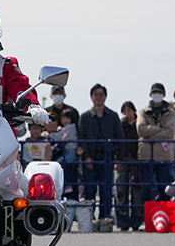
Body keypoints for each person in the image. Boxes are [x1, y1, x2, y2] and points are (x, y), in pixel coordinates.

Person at [77, 83, 123, 223]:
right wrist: (86, 158)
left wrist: (118, 159)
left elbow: (119, 138)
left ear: (105, 97)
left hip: (107, 159)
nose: (98, 97)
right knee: (90, 190)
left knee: (106, 191)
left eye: (101, 94)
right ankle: (90, 220)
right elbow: (81, 138)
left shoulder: (113, 116)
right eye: (96, 94)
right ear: (91, 97)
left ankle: (105, 217)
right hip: (90, 159)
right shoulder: (84, 117)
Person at [137, 82, 175, 202]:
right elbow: (141, 129)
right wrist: (160, 129)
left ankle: (167, 220)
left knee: (166, 191)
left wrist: (150, 134)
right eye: (155, 92)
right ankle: (147, 219)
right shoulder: (143, 112)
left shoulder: (170, 113)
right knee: (146, 191)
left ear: (164, 94)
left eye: (159, 92)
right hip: (146, 156)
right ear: (150, 94)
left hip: (164, 156)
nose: (157, 95)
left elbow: (170, 133)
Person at [115, 101, 143, 230]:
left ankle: (136, 221)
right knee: (121, 191)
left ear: (134, 111)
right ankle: (122, 222)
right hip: (123, 159)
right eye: (124, 111)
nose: (127, 113)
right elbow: (116, 141)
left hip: (137, 161)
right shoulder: (121, 125)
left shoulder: (139, 124)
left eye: (129, 110)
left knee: (136, 192)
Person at [49, 108, 79, 201]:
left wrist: (50, 135)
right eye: (63, 118)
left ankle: (67, 185)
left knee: (59, 165)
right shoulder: (69, 128)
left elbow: (59, 137)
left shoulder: (70, 128)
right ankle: (67, 185)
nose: (65, 120)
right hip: (69, 152)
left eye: (67, 118)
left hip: (70, 152)